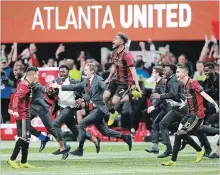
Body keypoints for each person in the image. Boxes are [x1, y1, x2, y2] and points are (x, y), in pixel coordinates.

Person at [51, 63, 132, 156]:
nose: (84, 71)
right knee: (104, 131)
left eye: (86, 70)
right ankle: (125, 137)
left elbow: (107, 90)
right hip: (93, 109)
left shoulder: (99, 80)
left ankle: (80, 149)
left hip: (99, 109)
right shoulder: (86, 81)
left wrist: (116, 96)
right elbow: (74, 87)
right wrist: (59, 87)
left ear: (92, 71)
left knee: (81, 124)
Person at [162, 64, 219, 166]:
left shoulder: (193, 83)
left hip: (197, 114)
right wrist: (182, 104)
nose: (176, 74)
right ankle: (173, 161)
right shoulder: (185, 84)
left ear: (184, 73)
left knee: (181, 133)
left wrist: (215, 104)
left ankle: (199, 150)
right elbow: (189, 99)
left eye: (178, 72)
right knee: (179, 134)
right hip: (190, 114)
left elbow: (204, 94)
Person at [49, 65, 100, 159]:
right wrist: (50, 93)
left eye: (64, 71)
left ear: (68, 72)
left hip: (71, 107)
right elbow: (51, 97)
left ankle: (63, 147)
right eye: (60, 72)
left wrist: (82, 99)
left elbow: (85, 93)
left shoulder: (73, 82)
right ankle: (94, 139)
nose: (62, 73)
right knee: (75, 130)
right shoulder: (55, 81)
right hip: (62, 107)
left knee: (55, 124)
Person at [103, 32, 142, 126]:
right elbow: (114, 66)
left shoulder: (127, 55)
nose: (113, 40)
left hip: (125, 82)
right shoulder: (114, 53)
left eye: (115, 39)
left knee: (114, 101)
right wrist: (109, 78)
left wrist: (137, 85)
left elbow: (133, 71)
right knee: (105, 97)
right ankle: (113, 113)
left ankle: (131, 93)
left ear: (121, 42)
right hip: (115, 79)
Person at [146, 64, 183, 158]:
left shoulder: (166, 81)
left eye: (166, 70)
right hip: (168, 107)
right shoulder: (166, 80)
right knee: (158, 124)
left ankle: (167, 147)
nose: (164, 72)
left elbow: (170, 94)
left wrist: (155, 104)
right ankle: (159, 147)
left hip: (172, 107)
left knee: (162, 125)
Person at [7, 66, 39, 169]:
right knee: (24, 137)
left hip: (26, 114)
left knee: (27, 138)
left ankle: (23, 162)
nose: (38, 77)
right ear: (32, 75)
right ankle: (11, 159)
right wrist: (15, 110)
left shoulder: (28, 85)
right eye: (36, 75)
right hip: (22, 115)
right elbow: (16, 97)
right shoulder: (24, 85)